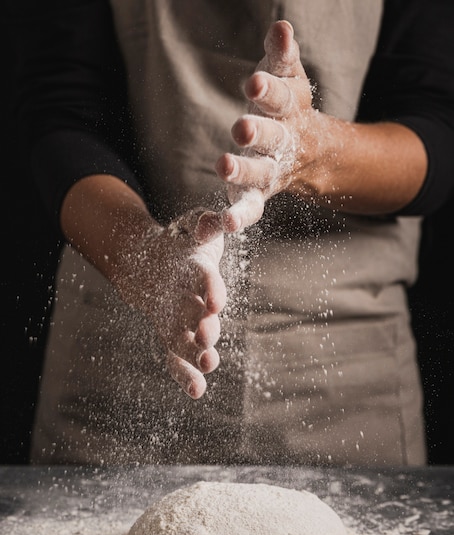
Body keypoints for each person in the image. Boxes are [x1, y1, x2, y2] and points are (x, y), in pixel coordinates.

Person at [13, 0, 454, 466]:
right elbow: (60, 111)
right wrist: (140, 257)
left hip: (343, 387)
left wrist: (313, 149)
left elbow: (437, 127)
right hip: (118, 370)